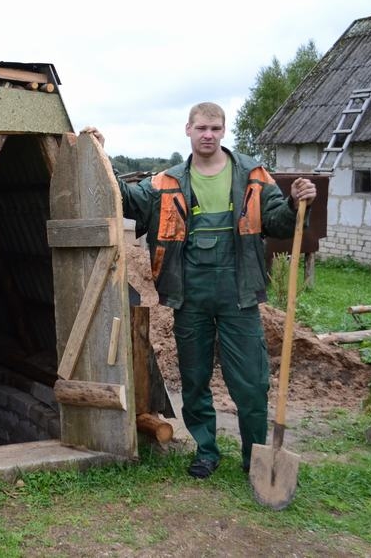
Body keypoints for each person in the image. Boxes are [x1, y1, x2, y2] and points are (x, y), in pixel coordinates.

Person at [84, 103, 316, 479]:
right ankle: (206, 450)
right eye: (201, 127)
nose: (208, 134)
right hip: (188, 295)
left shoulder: (252, 175)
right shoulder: (166, 182)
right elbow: (126, 201)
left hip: (239, 295)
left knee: (251, 383)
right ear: (188, 130)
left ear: (224, 131)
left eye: (215, 128)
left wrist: (294, 201)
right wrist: (102, 158)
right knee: (194, 379)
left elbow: (277, 221)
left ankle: (254, 456)